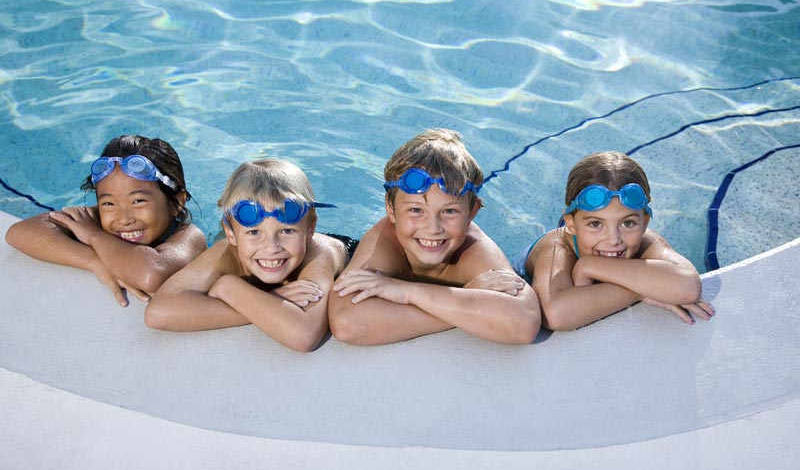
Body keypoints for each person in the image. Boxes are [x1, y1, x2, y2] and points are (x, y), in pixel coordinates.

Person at [329, 128, 541, 345]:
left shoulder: (473, 247)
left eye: (449, 211)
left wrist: (407, 293)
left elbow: (523, 324)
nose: (433, 228)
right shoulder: (384, 241)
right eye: (415, 210)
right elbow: (347, 324)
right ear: (391, 209)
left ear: (472, 213)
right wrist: (467, 295)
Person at [145, 159, 349, 352]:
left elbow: (303, 334)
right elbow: (158, 313)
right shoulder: (227, 252)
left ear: (310, 229)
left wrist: (229, 288)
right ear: (231, 234)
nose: (272, 247)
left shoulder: (320, 253)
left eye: (287, 231)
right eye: (254, 232)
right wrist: (271, 299)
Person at [511, 151, 715, 330]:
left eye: (627, 224)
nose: (613, 240)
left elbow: (688, 287)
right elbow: (555, 315)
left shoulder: (645, 241)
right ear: (571, 224)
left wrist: (591, 266)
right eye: (595, 224)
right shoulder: (556, 247)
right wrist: (643, 289)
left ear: (644, 222)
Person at [5, 135, 207, 307]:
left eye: (138, 201)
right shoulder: (98, 217)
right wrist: (95, 262)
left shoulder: (189, 237)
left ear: (177, 203)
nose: (124, 218)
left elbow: (151, 276)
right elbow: (20, 232)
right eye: (109, 203)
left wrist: (95, 236)